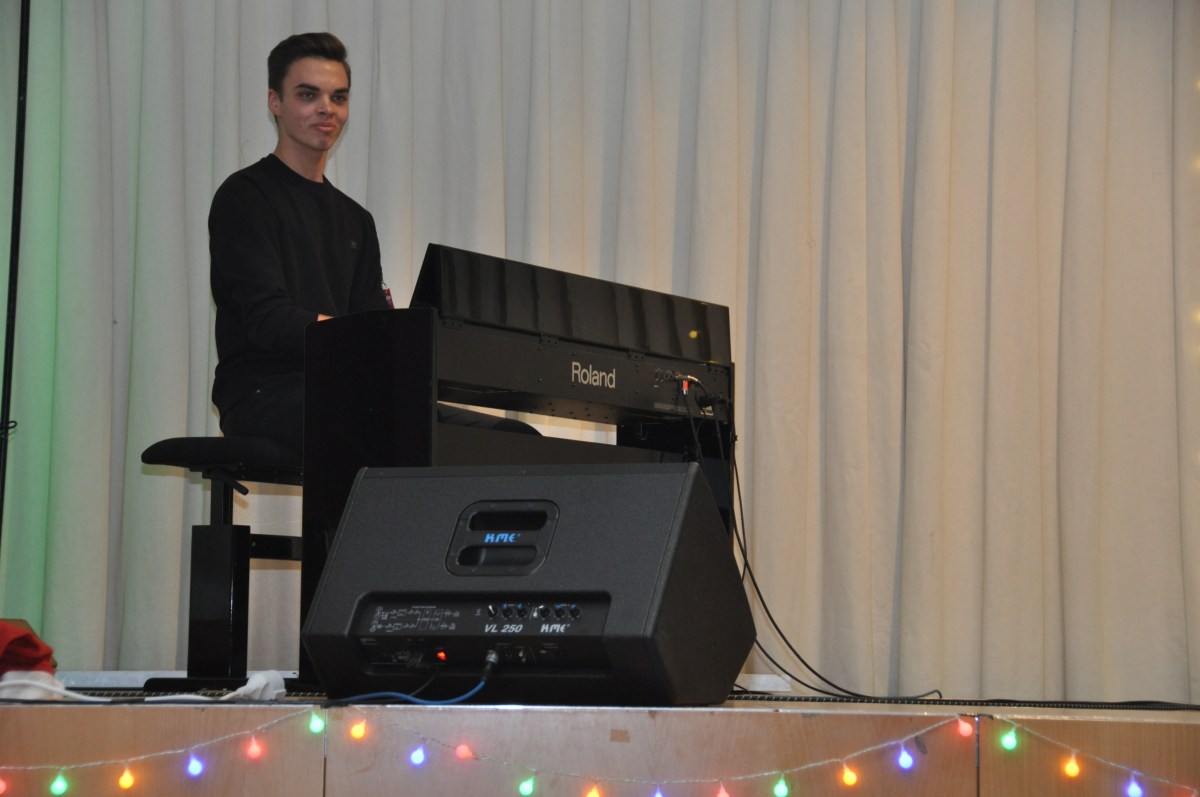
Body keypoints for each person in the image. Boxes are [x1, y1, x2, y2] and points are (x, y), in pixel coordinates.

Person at [211, 33, 533, 458]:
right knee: (392, 430)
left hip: (349, 391)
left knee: (515, 439)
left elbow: (372, 322)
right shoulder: (246, 195)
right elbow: (267, 319)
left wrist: (413, 341)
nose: (326, 108)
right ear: (275, 102)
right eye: (308, 95)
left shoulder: (355, 219)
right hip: (265, 393)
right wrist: (363, 339)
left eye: (338, 97)